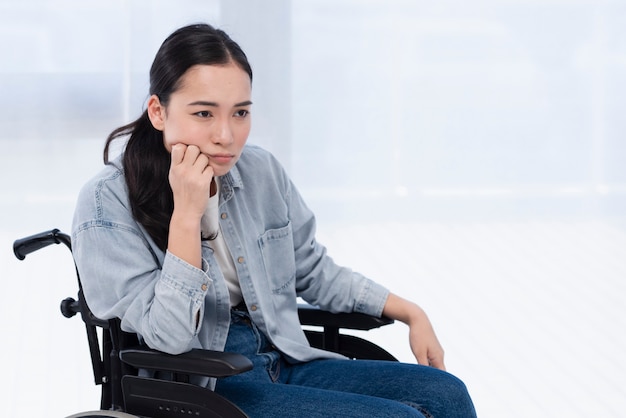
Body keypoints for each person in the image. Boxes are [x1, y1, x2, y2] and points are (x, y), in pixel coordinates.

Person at [72, 23, 476, 418]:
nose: (226, 135)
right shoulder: (106, 202)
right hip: (203, 380)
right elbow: (171, 337)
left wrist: (411, 312)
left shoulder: (260, 171)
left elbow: (312, 270)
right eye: (203, 114)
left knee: (447, 395)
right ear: (158, 111)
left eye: (240, 112)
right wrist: (187, 215)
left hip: (283, 354)